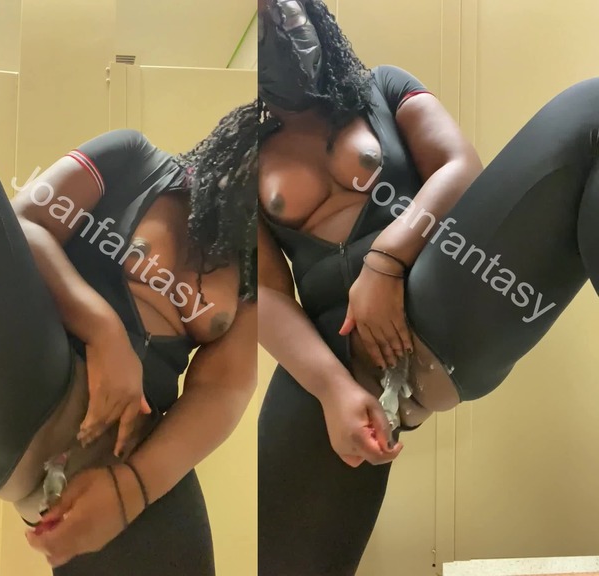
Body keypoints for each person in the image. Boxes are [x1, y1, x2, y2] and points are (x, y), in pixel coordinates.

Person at [256, 0, 599, 574]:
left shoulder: (384, 87)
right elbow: (266, 295)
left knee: (591, 108)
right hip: (336, 359)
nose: (285, 29)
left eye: (291, 15)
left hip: (440, 288)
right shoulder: (241, 159)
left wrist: (385, 262)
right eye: (266, 21)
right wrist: (332, 390)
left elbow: (459, 165)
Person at [0, 76, 260, 573]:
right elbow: (27, 220)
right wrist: (105, 332)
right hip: (35, 374)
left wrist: (131, 490)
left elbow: (225, 387)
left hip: (122, 452)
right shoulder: (135, 157)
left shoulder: (254, 263)